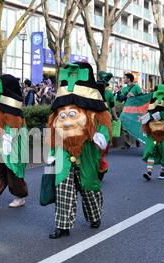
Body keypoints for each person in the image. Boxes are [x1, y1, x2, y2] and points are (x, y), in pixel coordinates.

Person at [46, 62, 112, 239]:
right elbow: (53, 127)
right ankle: (63, 225)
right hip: (64, 150)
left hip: (87, 149)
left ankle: (94, 216)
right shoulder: (60, 105)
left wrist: (103, 137)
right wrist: (52, 152)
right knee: (63, 187)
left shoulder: (94, 108)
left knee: (89, 187)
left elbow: (104, 123)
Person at [0, 74, 29, 208]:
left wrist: (10, 138)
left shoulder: (14, 108)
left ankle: (20, 196)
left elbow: (16, 126)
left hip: (13, 143)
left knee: (12, 169)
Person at [140, 84, 164, 180]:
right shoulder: (151, 112)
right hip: (153, 136)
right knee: (150, 151)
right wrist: (144, 119)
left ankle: (163, 172)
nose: (159, 99)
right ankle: (149, 172)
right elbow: (145, 122)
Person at [116, 73, 142, 149]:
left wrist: (134, 96)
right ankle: (127, 143)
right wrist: (120, 94)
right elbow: (120, 99)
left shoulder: (136, 87)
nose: (123, 79)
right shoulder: (124, 89)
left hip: (135, 111)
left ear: (129, 79)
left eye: (125, 78)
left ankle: (138, 139)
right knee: (124, 125)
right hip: (126, 110)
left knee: (136, 125)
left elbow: (142, 98)